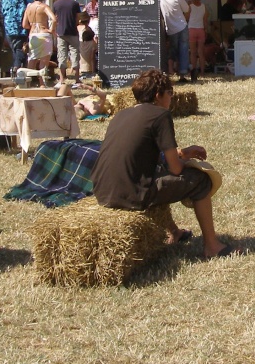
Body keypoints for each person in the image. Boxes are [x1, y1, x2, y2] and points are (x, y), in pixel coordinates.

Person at [91, 69, 239, 259]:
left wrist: (182, 153)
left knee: (157, 174)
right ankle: (212, 246)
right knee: (200, 180)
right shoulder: (160, 115)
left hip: (102, 191)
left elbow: (143, 153)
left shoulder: (121, 114)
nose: (171, 98)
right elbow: (175, 168)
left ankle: (174, 232)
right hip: (132, 195)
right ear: (157, 95)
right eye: (170, 93)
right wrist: (189, 163)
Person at [160, 0, 191, 82]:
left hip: (171, 28)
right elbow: (186, 9)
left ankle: (170, 71)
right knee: (183, 50)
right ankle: (182, 74)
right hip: (181, 26)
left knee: (172, 50)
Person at [22, 0, 57, 79]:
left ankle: (27, 82)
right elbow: (53, 19)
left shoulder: (29, 7)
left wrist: (32, 26)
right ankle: (42, 83)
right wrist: (51, 30)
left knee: (32, 60)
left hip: (33, 35)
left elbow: (24, 25)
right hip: (44, 33)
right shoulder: (44, 6)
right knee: (44, 62)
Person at [1, 0, 32, 74]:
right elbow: (31, 8)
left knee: (15, 50)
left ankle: (20, 73)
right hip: (21, 27)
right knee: (21, 50)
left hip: (8, 27)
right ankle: (16, 69)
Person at [52, 0, 82, 84]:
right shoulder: (74, 3)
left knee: (62, 55)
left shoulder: (56, 4)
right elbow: (78, 18)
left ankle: (62, 79)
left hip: (61, 32)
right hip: (72, 31)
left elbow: (55, 18)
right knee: (75, 54)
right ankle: (77, 78)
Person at [187, 0, 208, 77]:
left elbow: (186, 18)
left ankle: (193, 72)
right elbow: (205, 20)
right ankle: (202, 72)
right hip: (201, 30)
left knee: (193, 52)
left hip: (191, 29)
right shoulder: (203, 6)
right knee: (201, 52)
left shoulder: (190, 6)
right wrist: (205, 30)